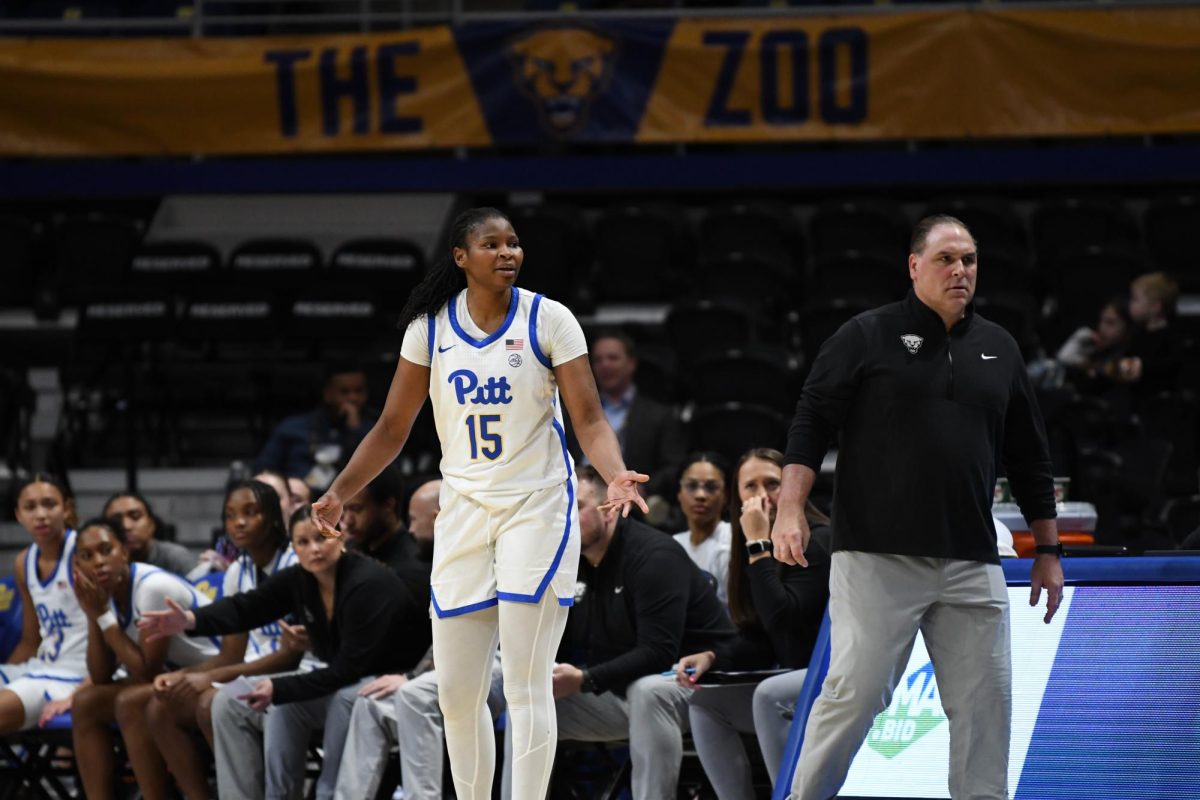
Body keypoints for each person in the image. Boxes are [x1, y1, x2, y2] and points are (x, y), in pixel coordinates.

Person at [311, 207, 648, 800]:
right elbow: (392, 427)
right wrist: (340, 493)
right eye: (491, 244)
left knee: (524, 682)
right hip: (464, 508)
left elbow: (589, 419)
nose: (508, 253)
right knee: (456, 692)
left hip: (537, 506)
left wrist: (616, 473)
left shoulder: (551, 318)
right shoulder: (430, 329)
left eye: (514, 243)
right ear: (461, 257)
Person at [771, 215, 1064, 800]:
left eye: (970, 260)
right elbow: (811, 423)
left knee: (987, 708)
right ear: (913, 266)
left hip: (971, 559)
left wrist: (1048, 549)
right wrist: (789, 510)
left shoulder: (999, 347)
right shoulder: (865, 335)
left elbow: (1030, 457)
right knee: (852, 697)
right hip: (878, 555)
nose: (960, 270)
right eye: (946, 259)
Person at [141, 508, 426, 800]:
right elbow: (246, 607)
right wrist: (190, 620)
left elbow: (348, 669)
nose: (314, 549)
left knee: (330, 698)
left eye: (321, 538)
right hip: (344, 677)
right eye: (303, 542)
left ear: (339, 537)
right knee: (245, 704)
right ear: (294, 547)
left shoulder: (367, 582)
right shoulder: (301, 579)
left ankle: (328, 794)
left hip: (391, 679)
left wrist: (280, 687)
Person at [551, 466, 736, 800]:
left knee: (648, 692)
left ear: (608, 510)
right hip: (622, 693)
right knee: (530, 704)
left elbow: (658, 652)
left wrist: (584, 679)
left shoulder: (653, 556)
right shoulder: (570, 562)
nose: (564, 518)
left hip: (697, 685)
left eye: (575, 506)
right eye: (558, 508)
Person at [676, 448, 832, 799]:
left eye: (773, 484)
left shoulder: (818, 539)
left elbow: (784, 621)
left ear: (795, 489)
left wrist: (758, 544)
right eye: (750, 487)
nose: (762, 496)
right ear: (739, 497)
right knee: (705, 704)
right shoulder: (752, 548)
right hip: (794, 677)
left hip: (835, 675)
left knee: (769, 696)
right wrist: (713, 658)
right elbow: (760, 638)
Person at [142, 480, 308, 800]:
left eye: (250, 513)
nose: (239, 523)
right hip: (251, 674)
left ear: (274, 517)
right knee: (160, 707)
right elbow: (232, 654)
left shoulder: (297, 561)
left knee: (210, 702)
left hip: (293, 673)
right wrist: (183, 676)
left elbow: (292, 656)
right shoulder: (237, 572)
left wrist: (208, 677)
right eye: (231, 515)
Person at [68, 517, 218, 800]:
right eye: (87, 556)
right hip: (174, 678)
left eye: (105, 550)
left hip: (217, 672)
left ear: (124, 551)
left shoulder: (152, 588)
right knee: (86, 703)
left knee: (131, 701)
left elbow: (146, 671)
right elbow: (101, 675)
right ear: (77, 566)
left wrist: (102, 615)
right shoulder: (105, 594)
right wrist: (93, 613)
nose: (98, 562)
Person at [0, 476, 88, 733]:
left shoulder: (84, 553)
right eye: (30, 507)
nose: (41, 514)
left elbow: (112, 630)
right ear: (18, 514)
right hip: (43, 666)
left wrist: (86, 689)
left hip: (80, 673)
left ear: (67, 509)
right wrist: (9, 674)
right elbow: (30, 640)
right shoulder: (23, 562)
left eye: (49, 504)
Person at [569, 329, 687, 516]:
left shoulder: (659, 415)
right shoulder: (575, 412)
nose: (605, 365)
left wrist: (643, 487)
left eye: (613, 358)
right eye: (598, 360)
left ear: (631, 364)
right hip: (578, 500)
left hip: (633, 506)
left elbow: (674, 467)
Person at [255, 364, 380, 489]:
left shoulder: (375, 430)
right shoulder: (292, 428)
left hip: (352, 500)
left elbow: (384, 473)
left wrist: (355, 430)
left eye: (359, 391)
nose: (353, 398)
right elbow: (264, 470)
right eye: (344, 392)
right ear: (328, 393)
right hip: (299, 499)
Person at [340, 465, 432, 606]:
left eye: (356, 509)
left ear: (388, 506)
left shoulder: (414, 569)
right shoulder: (348, 550)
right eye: (343, 510)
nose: (347, 521)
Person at [673, 453, 733, 603]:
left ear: (725, 495)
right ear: (679, 493)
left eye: (711, 487)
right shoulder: (674, 544)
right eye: (691, 486)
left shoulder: (734, 540)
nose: (700, 495)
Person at [103, 492, 199, 578]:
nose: (126, 526)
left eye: (135, 516)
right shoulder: (100, 564)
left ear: (151, 525)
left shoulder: (176, 558)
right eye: (115, 521)